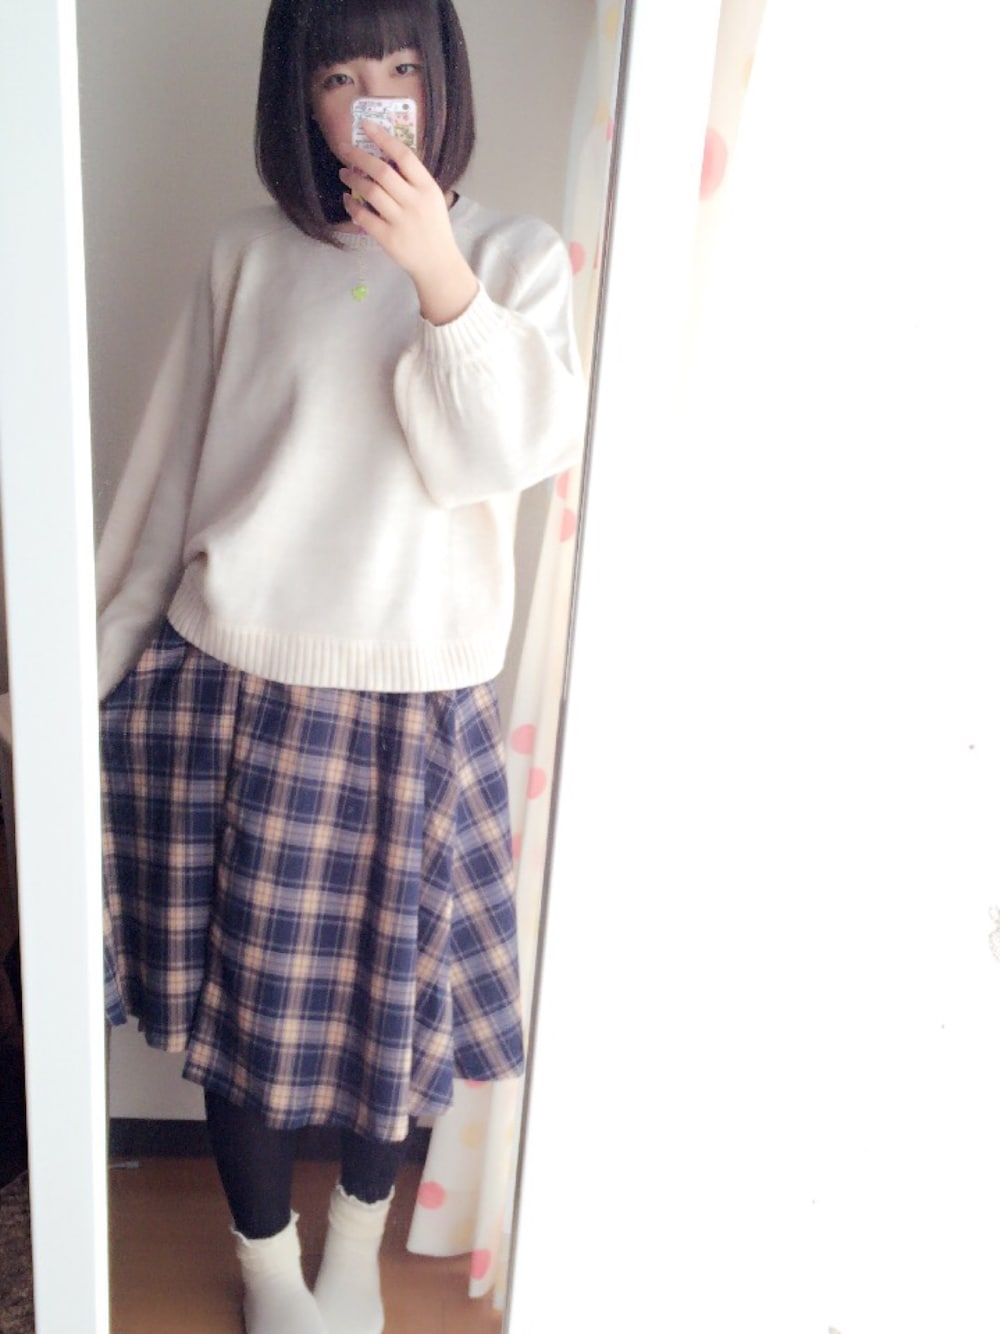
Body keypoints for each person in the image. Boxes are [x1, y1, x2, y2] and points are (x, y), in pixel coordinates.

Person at [97, 0, 584, 1330]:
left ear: (444, 79)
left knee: (395, 1023)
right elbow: (170, 478)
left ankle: (354, 1250)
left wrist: (440, 276)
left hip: (416, 702)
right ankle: (268, 1269)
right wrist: (93, 658)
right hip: (233, 682)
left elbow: (492, 460)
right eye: (342, 73)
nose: (380, 97)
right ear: (300, 101)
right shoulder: (246, 254)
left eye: (405, 66)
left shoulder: (514, 258)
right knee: (242, 1021)